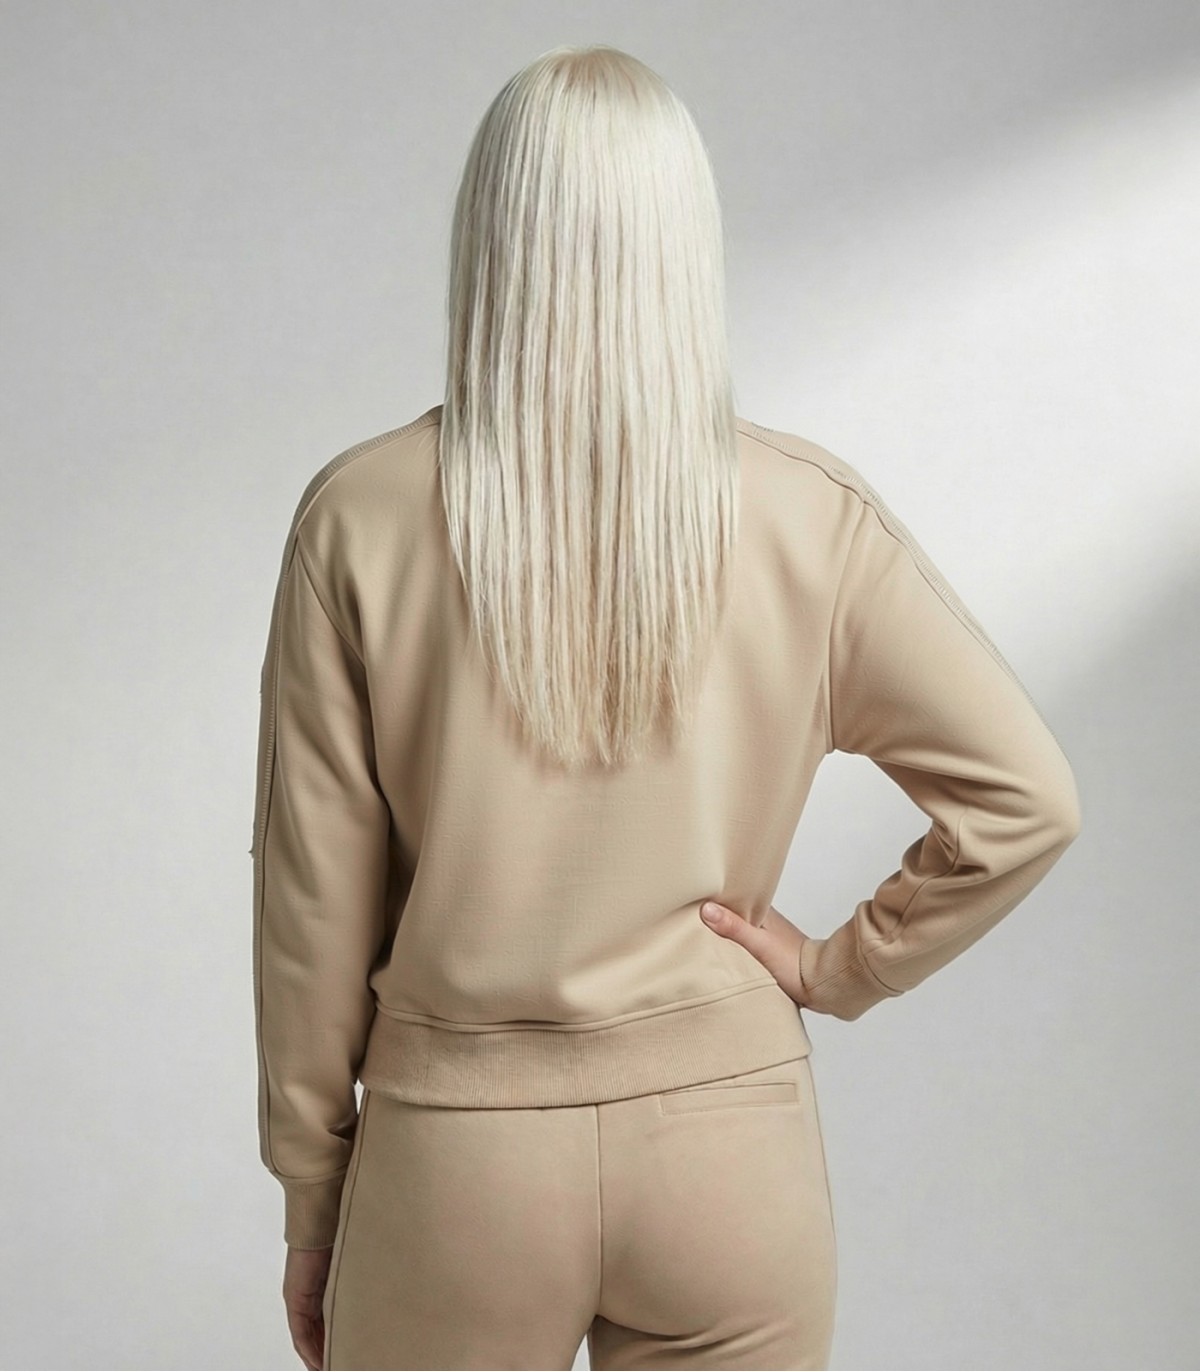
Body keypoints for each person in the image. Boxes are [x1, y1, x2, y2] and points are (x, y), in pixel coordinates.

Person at [250, 43, 1082, 1372]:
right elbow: (1027, 800)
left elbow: (311, 904)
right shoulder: (812, 517)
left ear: (491, 236)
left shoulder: (359, 518)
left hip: (457, 1167)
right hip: (727, 1155)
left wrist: (312, 1194)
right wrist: (842, 969)